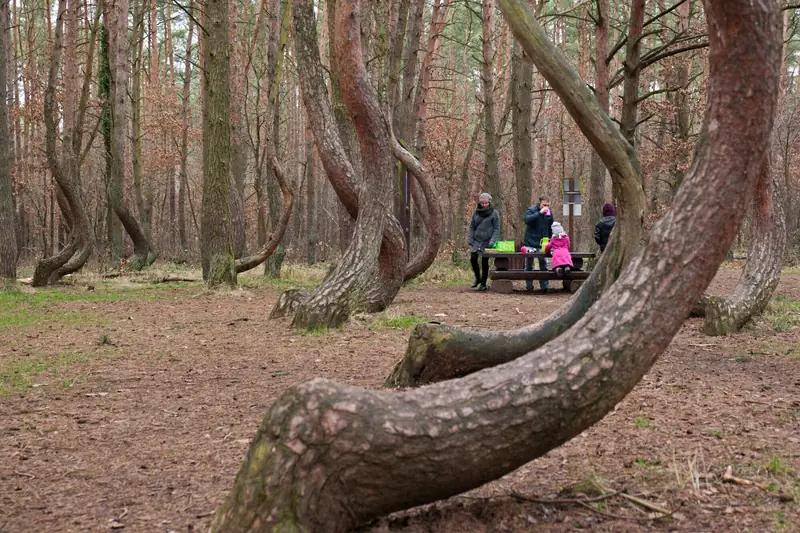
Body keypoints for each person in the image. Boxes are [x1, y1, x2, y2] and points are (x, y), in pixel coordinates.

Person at [467, 192, 500, 291]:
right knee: (473, 258)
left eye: (486, 203)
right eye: (482, 203)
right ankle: (478, 278)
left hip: (487, 241)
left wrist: (493, 240)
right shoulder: (476, 213)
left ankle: (483, 283)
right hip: (477, 240)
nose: (484, 204)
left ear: (489, 202)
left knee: (484, 261)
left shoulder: (494, 213)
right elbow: (472, 227)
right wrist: (470, 239)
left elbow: (497, 228)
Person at [523, 196, 554, 291]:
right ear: (540, 203)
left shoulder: (549, 213)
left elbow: (551, 226)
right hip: (530, 241)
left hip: (543, 242)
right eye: (544, 205)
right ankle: (529, 286)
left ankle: (544, 286)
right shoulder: (531, 210)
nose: (546, 207)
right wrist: (539, 213)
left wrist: (550, 239)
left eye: (548, 205)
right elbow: (527, 220)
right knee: (529, 264)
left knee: (544, 264)